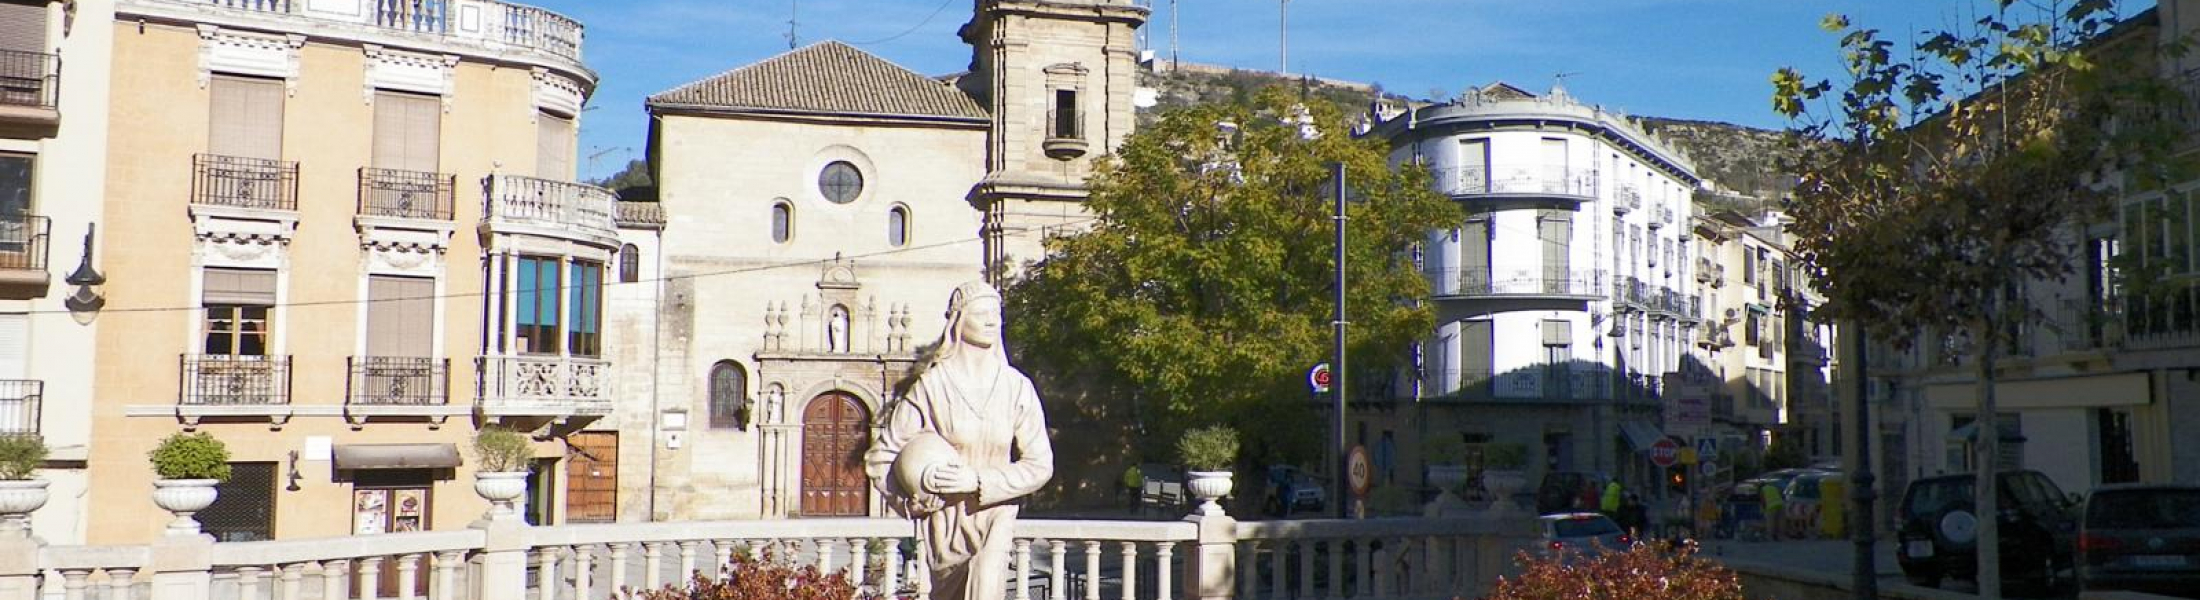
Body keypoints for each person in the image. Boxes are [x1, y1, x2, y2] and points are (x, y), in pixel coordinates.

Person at [866, 281, 1055, 600]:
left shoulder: (1016, 387)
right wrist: (914, 496)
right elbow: (881, 458)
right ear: (958, 320)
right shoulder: (931, 386)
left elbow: (1040, 465)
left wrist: (978, 479)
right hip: (946, 523)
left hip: (996, 510)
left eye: (997, 314)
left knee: (986, 578)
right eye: (982, 313)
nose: (992, 321)